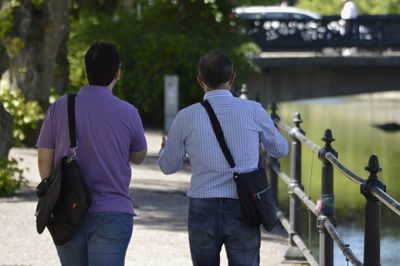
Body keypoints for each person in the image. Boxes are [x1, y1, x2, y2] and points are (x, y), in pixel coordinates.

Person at [157, 50, 288, 266]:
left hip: (202, 206)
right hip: (244, 205)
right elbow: (281, 150)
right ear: (233, 77)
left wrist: (165, 150)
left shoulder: (186, 116)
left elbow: (168, 167)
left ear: (200, 80)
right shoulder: (253, 111)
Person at [36, 41, 147, 266]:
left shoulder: (59, 107)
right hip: (113, 212)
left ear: (86, 70)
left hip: (67, 212)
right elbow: (138, 157)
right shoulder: (128, 112)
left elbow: (44, 161)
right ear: (118, 73)